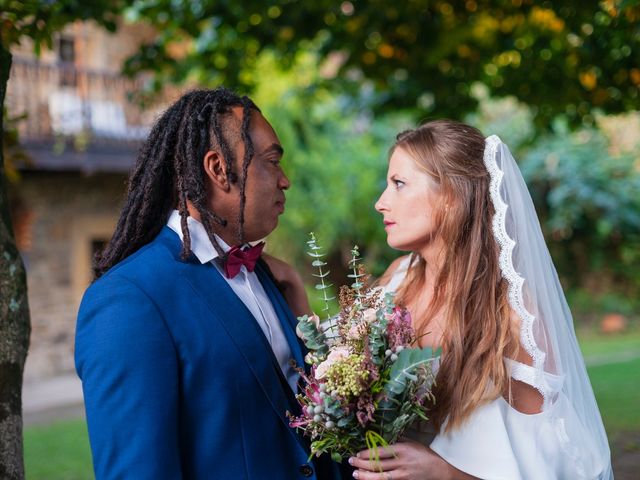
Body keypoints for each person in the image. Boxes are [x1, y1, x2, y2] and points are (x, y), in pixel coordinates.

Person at [75, 87, 338, 479]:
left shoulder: (268, 274)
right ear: (217, 169)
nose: (285, 181)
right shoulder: (128, 300)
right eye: (271, 162)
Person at [347, 120, 613, 479]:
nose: (381, 203)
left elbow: (556, 468)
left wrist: (445, 474)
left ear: (451, 197)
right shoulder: (397, 279)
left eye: (399, 184)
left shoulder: (509, 316)